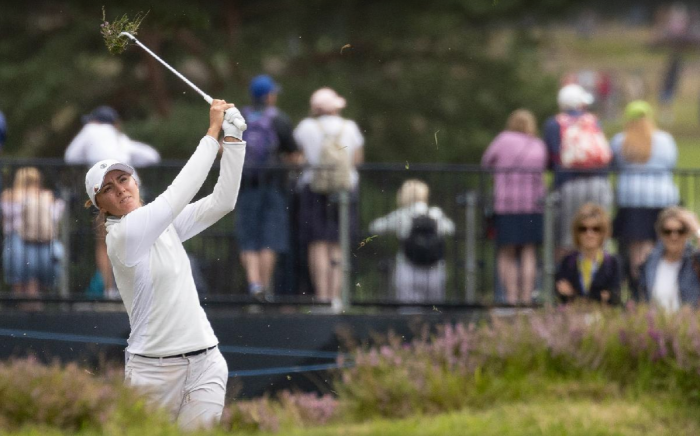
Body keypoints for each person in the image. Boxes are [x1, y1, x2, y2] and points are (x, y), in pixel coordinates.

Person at [83, 99, 246, 430]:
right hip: (152, 374)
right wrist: (212, 132)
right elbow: (177, 194)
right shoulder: (123, 235)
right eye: (108, 189)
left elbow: (223, 201)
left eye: (123, 180)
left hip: (206, 362)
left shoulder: (163, 223)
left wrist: (233, 141)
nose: (120, 191)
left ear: (135, 180)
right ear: (99, 204)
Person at [66, 106, 161, 299]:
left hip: (106, 192)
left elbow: (70, 156)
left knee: (104, 241)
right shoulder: (120, 139)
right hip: (133, 192)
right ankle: (142, 289)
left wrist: (93, 157)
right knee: (138, 238)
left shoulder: (90, 130)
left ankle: (110, 291)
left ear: (94, 121)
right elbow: (152, 156)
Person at [294, 87, 364, 312]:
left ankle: (322, 298)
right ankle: (336, 298)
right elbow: (357, 159)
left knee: (317, 244)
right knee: (338, 243)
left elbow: (298, 157)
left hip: (314, 188)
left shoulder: (305, 127)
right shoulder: (350, 127)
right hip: (345, 190)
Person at [236, 75, 300, 300]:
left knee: (249, 239)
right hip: (273, 186)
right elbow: (294, 154)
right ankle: (266, 288)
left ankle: (254, 286)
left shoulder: (240, 117)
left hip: (245, 186)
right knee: (269, 238)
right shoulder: (278, 119)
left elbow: (225, 148)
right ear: (269, 95)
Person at [611, 100, 679, 299]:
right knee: (661, 247)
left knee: (637, 250)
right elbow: (671, 163)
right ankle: (655, 288)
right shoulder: (664, 139)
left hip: (632, 199)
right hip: (662, 197)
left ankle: (639, 289)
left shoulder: (620, 140)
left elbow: (613, 163)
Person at [481, 109, 547, 305]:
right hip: (533, 205)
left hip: (506, 204)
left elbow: (486, 162)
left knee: (506, 252)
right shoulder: (538, 144)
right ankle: (526, 298)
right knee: (529, 251)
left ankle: (510, 298)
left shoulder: (503, 139)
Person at [544, 84, 613, 260]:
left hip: (569, 185)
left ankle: (563, 282)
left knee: (567, 237)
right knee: (599, 234)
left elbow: (552, 156)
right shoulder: (593, 121)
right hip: (599, 183)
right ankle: (599, 279)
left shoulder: (554, 124)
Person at [369, 179, 455, 303]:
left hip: (408, 268)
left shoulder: (402, 214)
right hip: (434, 268)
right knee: (434, 310)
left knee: (409, 311)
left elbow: (375, 227)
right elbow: (451, 229)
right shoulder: (435, 213)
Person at [2, 167, 65, 309]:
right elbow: (57, 214)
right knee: (37, 278)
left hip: (17, 239)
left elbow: (6, 217)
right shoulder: (47, 196)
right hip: (44, 240)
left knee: (19, 276)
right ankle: (36, 308)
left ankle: (21, 308)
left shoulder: (10, 196)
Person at [555, 203, 621, 305]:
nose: (589, 234)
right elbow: (561, 295)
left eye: (595, 229)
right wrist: (599, 296)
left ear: (603, 232)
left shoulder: (612, 263)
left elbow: (614, 298)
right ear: (576, 232)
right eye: (583, 229)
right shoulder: (568, 262)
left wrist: (574, 294)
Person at [638, 207, 700, 312]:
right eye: (668, 231)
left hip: (688, 325)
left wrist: (697, 230)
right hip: (655, 325)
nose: (674, 236)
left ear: (688, 233)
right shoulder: (650, 262)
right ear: (660, 234)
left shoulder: (695, 261)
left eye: (680, 231)